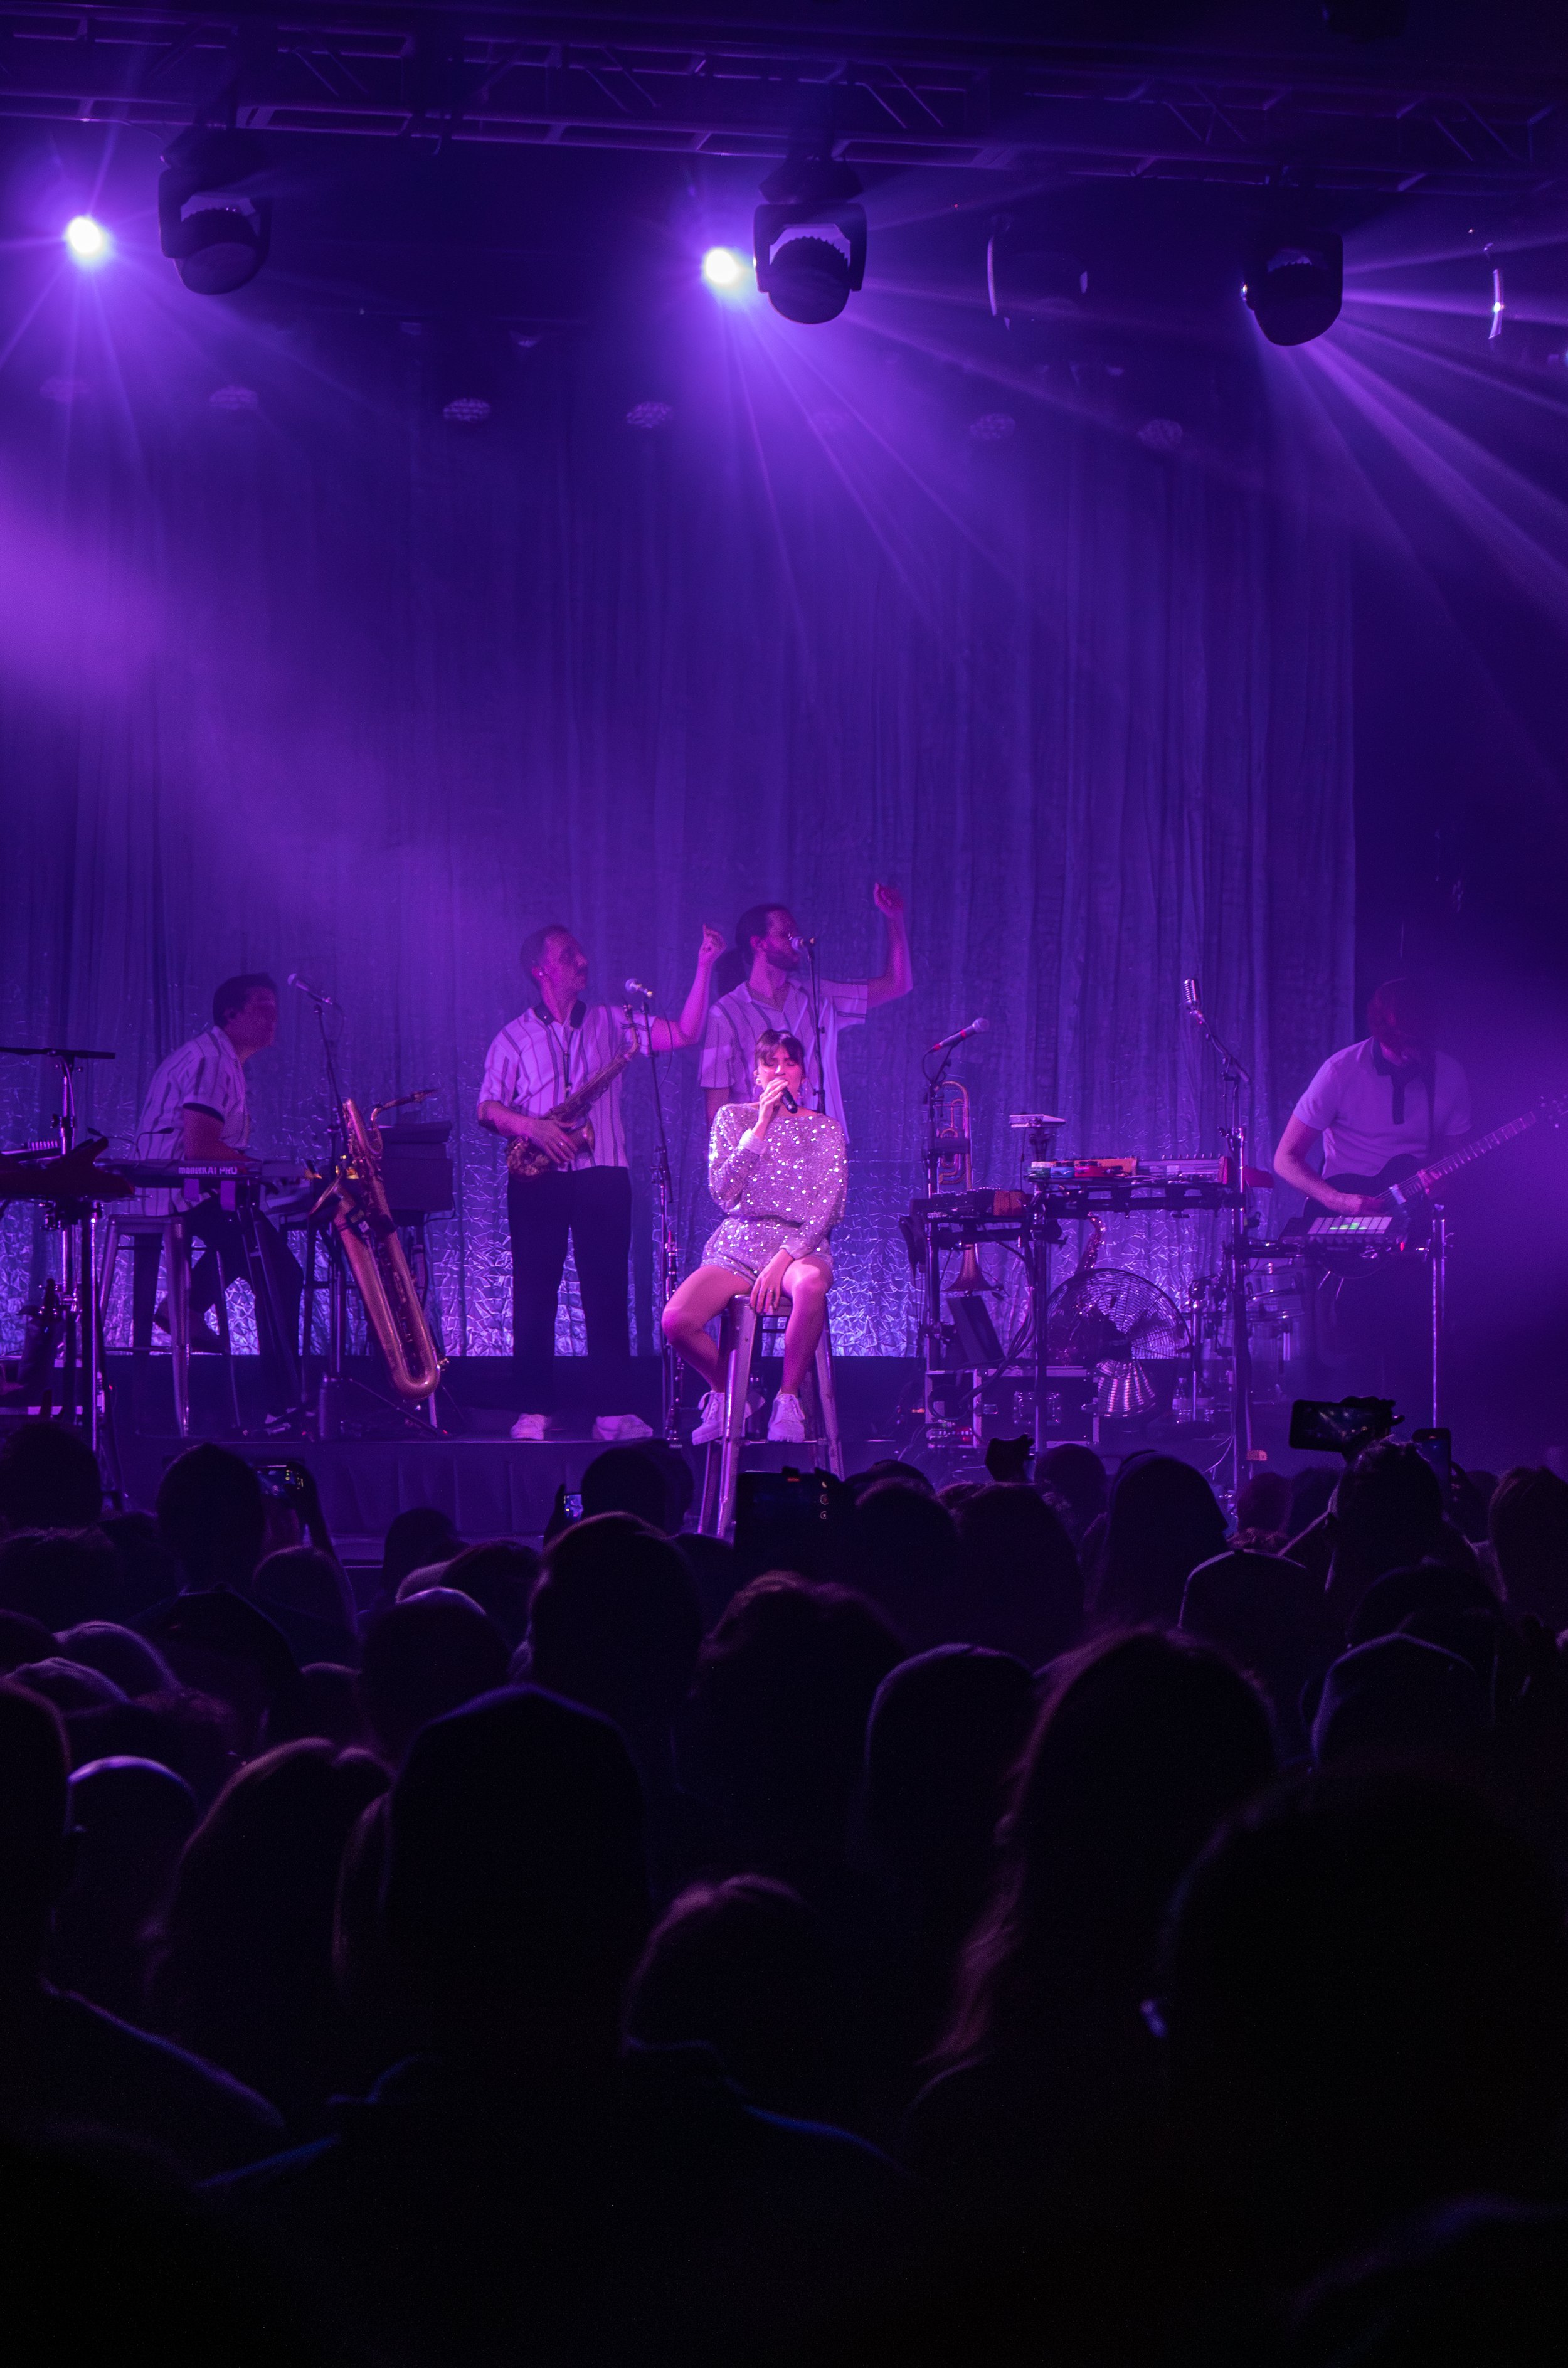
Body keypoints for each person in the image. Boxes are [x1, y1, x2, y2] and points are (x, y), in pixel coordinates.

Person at [478, 920, 724, 1445]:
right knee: (534, 1293)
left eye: (581, 952)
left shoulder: (614, 1021)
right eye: (568, 955)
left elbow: (684, 1032)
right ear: (540, 969)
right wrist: (535, 1127)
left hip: (603, 1171)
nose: (582, 961)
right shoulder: (513, 1036)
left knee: (608, 1292)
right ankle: (533, 1407)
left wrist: (704, 966)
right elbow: (488, 1106)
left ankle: (612, 1409)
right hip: (538, 1174)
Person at [662, 1031, 847, 1446]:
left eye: (790, 1063)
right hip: (741, 1241)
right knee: (677, 1320)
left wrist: (784, 1260)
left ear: (803, 1074)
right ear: (757, 1074)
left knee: (812, 1284)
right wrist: (761, 1125)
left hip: (801, 1244)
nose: (780, 1070)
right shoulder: (732, 1118)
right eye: (771, 1063)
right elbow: (724, 1192)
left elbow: (829, 1208)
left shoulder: (825, 1129)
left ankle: (788, 1399)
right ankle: (732, 1393)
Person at [132, 974, 304, 1419]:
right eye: (262, 1007)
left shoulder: (224, 1060)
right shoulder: (211, 1060)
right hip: (178, 1192)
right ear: (231, 1014)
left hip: (192, 1189)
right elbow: (201, 1148)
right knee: (279, 1270)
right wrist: (264, 1171)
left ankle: (183, 1306)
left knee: (255, 1244)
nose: (274, 1018)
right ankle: (281, 1406)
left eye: (275, 1008)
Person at [700, 885, 912, 1135]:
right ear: (760, 944)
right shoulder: (726, 1014)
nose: (797, 942)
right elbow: (716, 1113)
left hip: (822, 1143)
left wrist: (895, 918)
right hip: (761, 1150)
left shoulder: (818, 996)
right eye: (786, 935)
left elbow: (897, 985)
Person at [1274, 976, 1471, 1218]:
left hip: (1415, 1212)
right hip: (1347, 1214)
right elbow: (1285, 1158)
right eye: (1399, 1045)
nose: (1409, 1056)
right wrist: (1336, 1200)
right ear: (1381, 1033)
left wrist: (1443, 1183)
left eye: (1417, 1045)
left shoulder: (1450, 1074)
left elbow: (1454, 1154)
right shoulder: (1340, 1071)